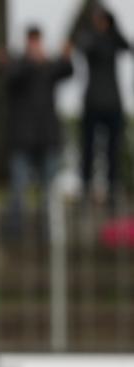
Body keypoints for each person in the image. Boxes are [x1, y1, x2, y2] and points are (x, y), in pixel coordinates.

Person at [5, 27, 73, 238]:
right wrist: (29, 61)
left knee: (48, 190)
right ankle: (15, 232)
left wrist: (65, 56)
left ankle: (46, 232)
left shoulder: (48, 66)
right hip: (21, 138)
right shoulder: (18, 63)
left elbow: (66, 72)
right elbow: (11, 79)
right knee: (18, 188)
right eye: (32, 41)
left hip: (47, 137)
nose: (35, 45)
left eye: (38, 41)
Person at [75, 6, 129, 213]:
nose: (101, 23)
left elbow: (127, 45)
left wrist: (113, 28)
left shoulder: (113, 38)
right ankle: (86, 191)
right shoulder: (89, 37)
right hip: (92, 103)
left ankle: (113, 194)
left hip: (113, 103)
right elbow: (83, 47)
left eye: (105, 20)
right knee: (88, 150)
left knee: (113, 152)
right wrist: (95, 31)